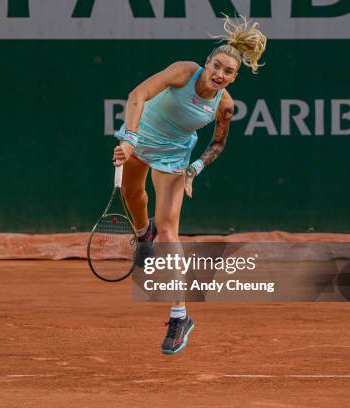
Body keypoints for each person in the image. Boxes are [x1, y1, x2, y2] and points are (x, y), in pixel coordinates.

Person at [112, 16, 267, 354]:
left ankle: (180, 316)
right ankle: (141, 234)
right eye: (216, 66)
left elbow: (217, 144)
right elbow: (138, 94)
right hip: (140, 139)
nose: (220, 75)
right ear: (208, 62)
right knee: (133, 195)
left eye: (228, 72)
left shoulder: (224, 105)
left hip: (174, 157)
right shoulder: (184, 71)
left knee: (169, 232)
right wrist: (131, 140)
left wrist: (194, 169)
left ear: (234, 77)